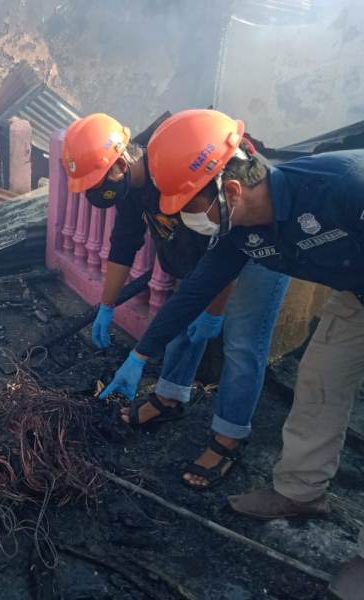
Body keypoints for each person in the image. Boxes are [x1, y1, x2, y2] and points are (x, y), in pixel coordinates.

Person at [102, 108, 364, 598]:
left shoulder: (343, 183)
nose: (185, 218)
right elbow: (195, 289)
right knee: (319, 383)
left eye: (190, 204)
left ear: (233, 191)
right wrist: (141, 356)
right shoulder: (242, 230)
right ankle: (300, 493)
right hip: (354, 292)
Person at [63, 113, 290, 487]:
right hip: (212, 251)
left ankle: (229, 437)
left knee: (244, 341)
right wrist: (106, 305)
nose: (94, 193)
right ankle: (169, 398)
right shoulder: (133, 189)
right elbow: (124, 246)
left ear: (121, 163)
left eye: (97, 182)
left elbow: (220, 253)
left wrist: (214, 313)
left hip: (258, 236)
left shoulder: (174, 170)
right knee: (183, 316)